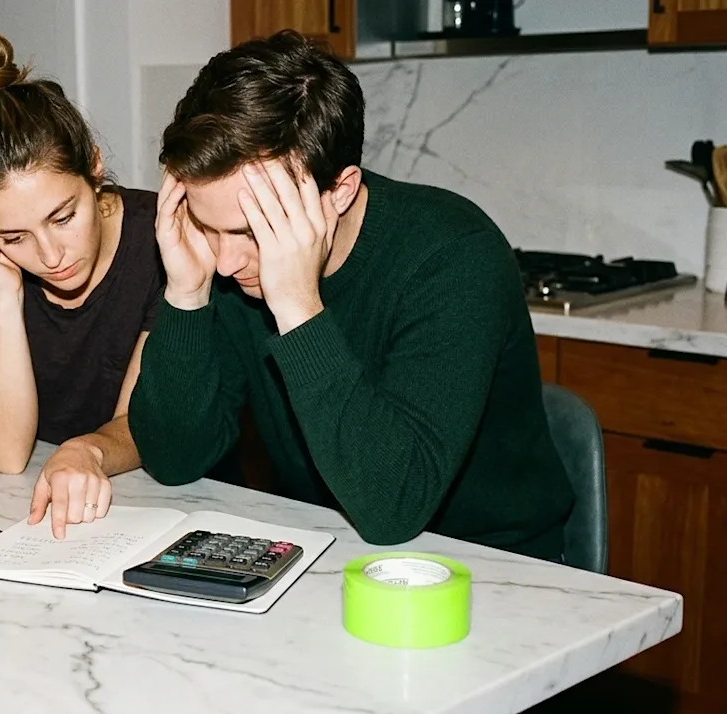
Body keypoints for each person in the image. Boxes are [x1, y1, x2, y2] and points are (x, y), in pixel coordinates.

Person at [128, 29, 575, 562]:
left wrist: (296, 304)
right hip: (322, 547)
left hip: (496, 568)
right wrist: (186, 293)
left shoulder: (455, 257)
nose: (226, 262)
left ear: (338, 191)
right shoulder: (224, 265)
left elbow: (392, 509)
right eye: (208, 226)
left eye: (254, 230)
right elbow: (173, 460)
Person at [0, 31, 164, 539]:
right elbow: (6, 453)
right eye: (14, 236)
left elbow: (144, 424)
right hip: (26, 505)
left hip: (164, 497)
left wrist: (85, 449)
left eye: (63, 216)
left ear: (94, 168)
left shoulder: (162, 240)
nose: (51, 256)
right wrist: (5, 298)